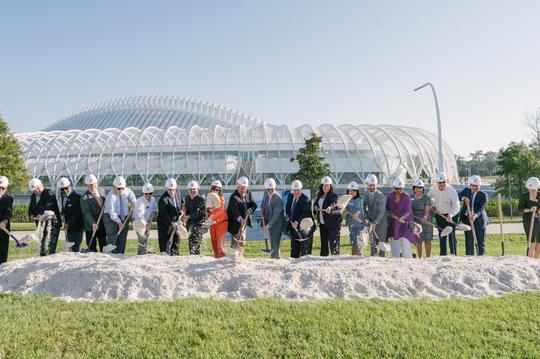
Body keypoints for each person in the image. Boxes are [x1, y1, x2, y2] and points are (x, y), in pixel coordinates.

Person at [428, 172, 460, 256]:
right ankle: (443, 254)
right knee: (442, 234)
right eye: (440, 183)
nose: (442, 184)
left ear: (446, 181)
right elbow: (429, 198)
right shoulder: (433, 188)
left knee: (451, 235)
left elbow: (456, 205)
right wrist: (433, 205)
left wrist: (451, 214)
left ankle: (453, 254)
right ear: (436, 183)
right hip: (439, 214)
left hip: (452, 214)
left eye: (443, 183)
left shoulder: (452, 190)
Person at [28, 178, 62, 256]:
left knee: (49, 248)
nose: (36, 191)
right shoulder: (33, 196)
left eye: (38, 188)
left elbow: (48, 206)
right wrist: (31, 215)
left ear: (42, 185)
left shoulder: (49, 193)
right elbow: (31, 207)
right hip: (40, 225)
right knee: (42, 248)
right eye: (34, 189)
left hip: (52, 225)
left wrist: (41, 214)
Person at [386, 178, 419, 258]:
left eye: (401, 189)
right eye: (397, 189)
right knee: (394, 239)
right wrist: (390, 213)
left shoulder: (406, 197)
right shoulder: (390, 196)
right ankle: (395, 257)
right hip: (394, 222)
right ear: (394, 188)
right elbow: (386, 208)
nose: (399, 190)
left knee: (405, 240)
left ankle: (408, 258)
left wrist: (402, 218)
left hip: (405, 221)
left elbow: (408, 211)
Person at [103, 176, 136, 254]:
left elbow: (131, 196)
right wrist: (119, 222)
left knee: (122, 237)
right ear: (114, 187)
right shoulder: (110, 196)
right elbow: (112, 213)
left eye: (122, 188)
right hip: (111, 218)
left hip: (124, 217)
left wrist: (133, 202)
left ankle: (121, 254)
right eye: (118, 188)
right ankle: (113, 254)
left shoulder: (127, 191)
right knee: (113, 236)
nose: (121, 190)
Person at [227, 176, 257, 257]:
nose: (243, 190)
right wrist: (240, 219)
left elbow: (254, 205)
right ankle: (232, 258)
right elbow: (234, 211)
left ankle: (241, 257)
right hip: (235, 223)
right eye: (241, 188)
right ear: (237, 186)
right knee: (235, 241)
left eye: (245, 188)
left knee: (242, 241)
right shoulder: (234, 197)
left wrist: (250, 209)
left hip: (244, 223)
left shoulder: (248, 193)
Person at [458, 175, 488, 256]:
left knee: (480, 241)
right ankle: (469, 258)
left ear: (480, 185)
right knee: (469, 241)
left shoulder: (483, 195)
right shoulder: (466, 191)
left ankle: (481, 257)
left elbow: (481, 208)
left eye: (477, 186)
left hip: (479, 220)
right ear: (470, 185)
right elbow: (457, 196)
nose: (475, 187)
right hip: (467, 219)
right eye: (473, 185)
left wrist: (474, 215)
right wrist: (464, 198)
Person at [313, 176, 341, 256]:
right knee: (324, 243)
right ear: (322, 186)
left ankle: (335, 258)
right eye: (324, 185)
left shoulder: (333, 195)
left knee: (333, 243)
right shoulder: (319, 195)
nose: (326, 187)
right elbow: (316, 204)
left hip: (332, 223)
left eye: (328, 186)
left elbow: (333, 203)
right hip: (322, 223)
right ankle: (323, 258)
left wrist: (330, 207)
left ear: (330, 186)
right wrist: (315, 207)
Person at [285, 180, 314, 258]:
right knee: (294, 249)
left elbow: (304, 213)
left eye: (298, 190)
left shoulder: (306, 200)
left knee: (305, 251)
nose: (296, 192)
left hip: (304, 228)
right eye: (294, 190)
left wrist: (297, 222)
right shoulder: (290, 196)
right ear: (292, 190)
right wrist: (288, 217)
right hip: (293, 228)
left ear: (301, 190)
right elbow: (288, 208)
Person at [363, 174, 388, 256]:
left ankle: (382, 262)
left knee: (381, 245)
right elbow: (364, 206)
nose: (372, 187)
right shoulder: (366, 194)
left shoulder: (381, 196)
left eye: (374, 185)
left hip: (381, 224)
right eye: (370, 185)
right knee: (373, 244)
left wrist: (375, 222)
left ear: (376, 185)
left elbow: (382, 212)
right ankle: (373, 261)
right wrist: (366, 215)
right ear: (367, 185)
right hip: (371, 222)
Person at [80, 174, 107, 252]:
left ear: (96, 183)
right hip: (91, 226)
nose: (92, 186)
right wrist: (93, 223)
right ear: (87, 185)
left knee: (103, 244)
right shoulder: (84, 198)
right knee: (92, 247)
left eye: (93, 184)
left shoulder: (102, 190)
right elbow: (86, 213)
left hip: (102, 223)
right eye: (90, 185)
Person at [157, 178, 184, 255]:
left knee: (176, 242)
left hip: (176, 221)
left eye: (173, 189)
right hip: (165, 225)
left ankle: (175, 258)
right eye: (169, 190)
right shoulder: (163, 200)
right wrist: (172, 223)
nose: (172, 191)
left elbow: (182, 202)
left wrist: (182, 210)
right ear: (166, 188)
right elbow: (164, 215)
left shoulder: (178, 193)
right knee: (165, 247)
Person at [57, 177, 84, 252]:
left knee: (75, 248)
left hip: (77, 227)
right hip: (69, 228)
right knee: (70, 248)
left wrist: (68, 223)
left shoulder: (77, 197)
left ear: (70, 186)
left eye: (66, 188)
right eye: (62, 189)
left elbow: (77, 214)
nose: (64, 190)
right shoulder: (63, 197)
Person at [261, 178, 285, 259]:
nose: (270, 191)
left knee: (275, 243)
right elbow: (264, 203)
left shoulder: (278, 199)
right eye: (268, 189)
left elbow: (276, 215)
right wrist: (262, 209)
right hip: (268, 221)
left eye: (272, 189)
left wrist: (268, 226)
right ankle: (274, 259)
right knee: (272, 242)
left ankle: (276, 261)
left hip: (277, 224)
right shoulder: (265, 193)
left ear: (275, 187)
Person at [132, 183, 157, 255]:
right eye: (146, 194)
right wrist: (146, 224)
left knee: (146, 239)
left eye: (150, 193)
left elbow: (155, 209)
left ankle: (144, 254)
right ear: (143, 193)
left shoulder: (153, 200)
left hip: (147, 222)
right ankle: (140, 256)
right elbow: (140, 216)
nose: (148, 195)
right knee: (142, 240)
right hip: (138, 223)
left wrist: (154, 213)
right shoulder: (139, 202)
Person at [519, 177, 540, 258]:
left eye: (533, 189)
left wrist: (537, 210)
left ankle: (535, 260)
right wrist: (529, 209)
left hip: (538, 220)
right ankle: (529, 261)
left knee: (539, 242)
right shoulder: (524, 196)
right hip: (528, 220)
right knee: (532, 241)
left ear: (537, 188)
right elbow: (520, 208)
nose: (531, 191)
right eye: (529, 189)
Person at [411, 179, 433, 258]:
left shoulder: (426, 198)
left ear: (423, 189)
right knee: (419, 240)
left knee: (427, 240)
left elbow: (427, 210)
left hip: (426, 221)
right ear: (414, 189)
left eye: (420, 188)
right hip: (416, 221)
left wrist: (425, 216)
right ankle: (420, 258)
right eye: (417, 188)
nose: (419, 190)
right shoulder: (411, 198)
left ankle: (427, 258)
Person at [184, 180, 206, 255]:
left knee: (196, 245)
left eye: (194, 189)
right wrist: (183, 213)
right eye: (190, 189)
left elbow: (198, 213)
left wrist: (188, 216)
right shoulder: (187, 199)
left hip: (198, 226)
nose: (192, 191)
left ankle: (196, 260)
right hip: (190, 226)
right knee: (190, 245)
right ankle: (192, 259)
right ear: (188, 190)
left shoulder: (201, 200)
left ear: (197, 189)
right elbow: (186, 209)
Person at [207, 180, 227, 258]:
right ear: (211, 189)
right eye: (214, 189)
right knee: (214, 243)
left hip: (221, 223)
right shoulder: (209, 198)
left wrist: (210, 218)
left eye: (217, 190)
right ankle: (216, 259)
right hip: (213, 224)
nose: (215, 191)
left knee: (219, 245)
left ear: (219, 191)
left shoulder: (221, 199)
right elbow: (208, 211)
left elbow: (220, 211)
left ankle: (222, 259)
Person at [344, 181, 365, 256]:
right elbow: (344, 209)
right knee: (353, 243)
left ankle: (358, 258)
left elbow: (359, 209)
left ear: (357, 192)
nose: (351, 192)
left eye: (353, 191)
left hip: (359, 225)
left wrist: (356, 214)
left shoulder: (358, 200)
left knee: (358, 243)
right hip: (351, 225)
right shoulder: (347, 200)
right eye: (350, 191)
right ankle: (353, 258)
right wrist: (345, 211)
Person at [0, 176, 13, 264]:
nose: (0, 189)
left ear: (6, 187)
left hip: (3, 231)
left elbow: (8, 212)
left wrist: (4, 221)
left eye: (3, 188)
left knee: (2, 256)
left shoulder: (9, 198)